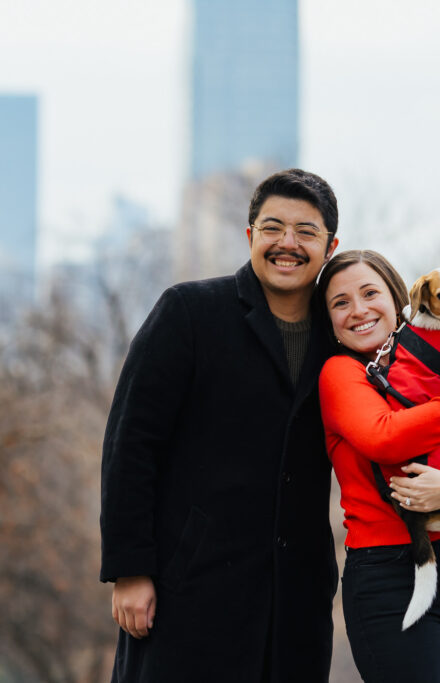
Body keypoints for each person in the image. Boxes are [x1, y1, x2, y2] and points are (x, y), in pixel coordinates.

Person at [100, 169, 341, 682]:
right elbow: (131, 443)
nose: (288, 244)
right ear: (250, 235)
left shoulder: (341, 338)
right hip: (187, 590)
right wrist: (130, 569)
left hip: (296, 602)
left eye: (306, 232)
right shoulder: (190, 312)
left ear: (330, 245)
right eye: (273, 227)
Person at [316, 249, 440, 683]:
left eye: (371, 293)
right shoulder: (340, 374)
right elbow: (386, 437)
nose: (359, 310)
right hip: (392, 572)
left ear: (400, 299)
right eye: (340, 302)